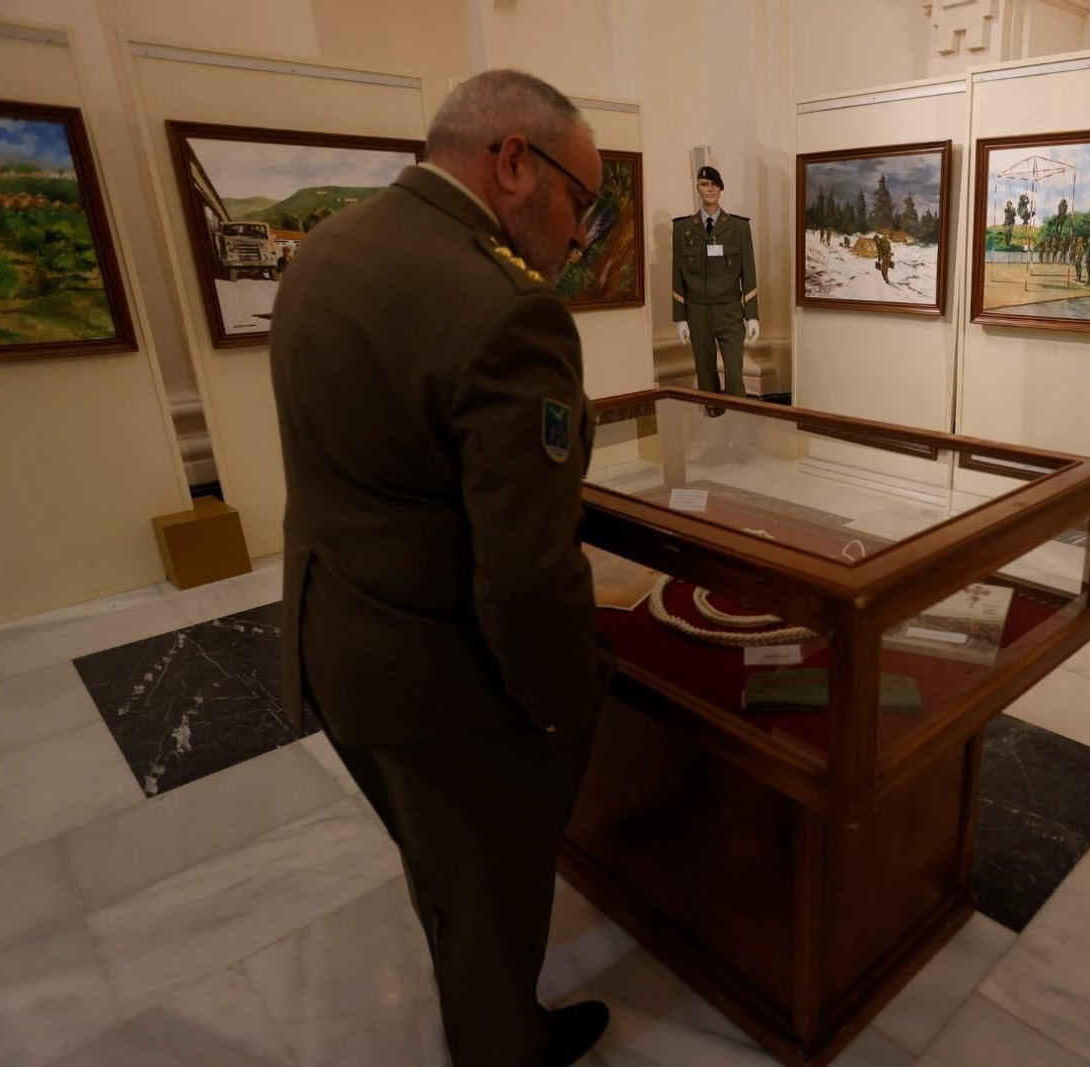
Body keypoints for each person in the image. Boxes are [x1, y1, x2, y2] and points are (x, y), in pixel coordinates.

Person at [269, 69, 614, 1067]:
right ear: (514, 162)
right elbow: (524, 569)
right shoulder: (505, 309)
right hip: (443, 682)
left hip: (331, 642)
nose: (580, 231)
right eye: (580, 199)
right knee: (494, 903)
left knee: (446, 879)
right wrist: (563, 702)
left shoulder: (329, 246)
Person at [672, 166, 759, 409]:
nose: (709, 189)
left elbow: (748, 272)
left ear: (721, 188)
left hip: (730, 310)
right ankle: (712, 431)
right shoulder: (683, 229)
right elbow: (677, 273)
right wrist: (680, 318)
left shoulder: (739, 228)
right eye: (703, 184)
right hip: (698, 311)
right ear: (698, 189)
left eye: (713, 184)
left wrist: (752, 314)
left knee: (734, 376)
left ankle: (739, 428)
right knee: (706, 378)